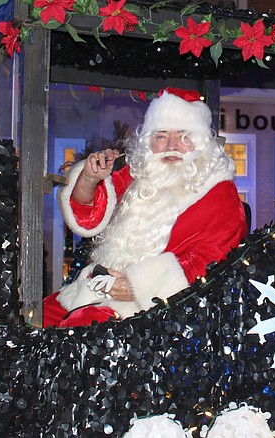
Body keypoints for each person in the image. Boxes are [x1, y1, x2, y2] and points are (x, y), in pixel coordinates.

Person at [43, 87, 247, 328]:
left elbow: (215, 265)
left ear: (201, 141)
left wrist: (137, 286)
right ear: (149, 141)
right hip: (99, 290)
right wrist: (89, 178)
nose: (172, 145)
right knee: (36, 316)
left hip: (163, 310)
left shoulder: (220, 196)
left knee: (73, 333)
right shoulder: (141, 172)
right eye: (161, 135)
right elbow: (88, 216)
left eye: (183, 135)